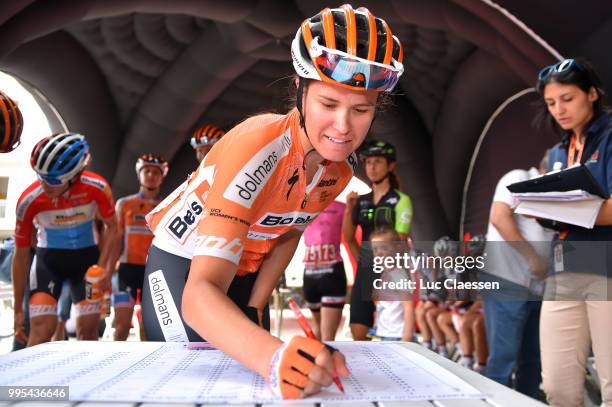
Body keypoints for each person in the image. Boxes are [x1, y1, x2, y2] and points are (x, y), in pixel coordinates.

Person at [142, 4, 404, 399]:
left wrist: (255, 306)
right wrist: (272, 355)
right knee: (192, 390)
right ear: (300, 91)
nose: (343, 127)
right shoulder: (258, 145)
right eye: (328, 105)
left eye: (361, 110)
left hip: (243, 273)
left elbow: (289, 234)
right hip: (183, 267)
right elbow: (197, 298)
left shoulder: (340, 173)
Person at [535, 58, 612, 407]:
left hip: (606, 265)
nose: (559, 110)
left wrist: (561, 209)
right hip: (563, 268)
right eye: (552, 103)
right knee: (557, 387)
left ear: (592, 93)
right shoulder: (556, 152)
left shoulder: (609, 137)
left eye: (567, 98)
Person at [12, 132, 117, 346]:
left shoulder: (97, 188)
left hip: (86, 263)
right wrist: (16, 310)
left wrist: (104, 267)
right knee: (41, 331)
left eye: (52, 179)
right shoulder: (28, 200)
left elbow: (114, 227)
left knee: (88, 334)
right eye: (39, 176)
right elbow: (21, 254)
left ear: (75, 175)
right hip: (48, 262)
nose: (44, 184)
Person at [480, 151, 553, 398]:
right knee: (504, 358)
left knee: (532, 359)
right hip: (505, 281)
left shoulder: (556, 198)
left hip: (537, 287)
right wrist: (532, 257)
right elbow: (500, 218)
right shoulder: (520, 177)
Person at [343, 139, 413, 340]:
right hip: (365, 272)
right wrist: (349, 209)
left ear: (390, 166)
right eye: (368, 162)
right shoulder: (361, 200)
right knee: (358, 334)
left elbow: (399, 241)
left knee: (391, 333)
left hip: (391, 272)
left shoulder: (401, 200)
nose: (371, 167)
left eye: (378, 162)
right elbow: (349, 239)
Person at [109, 154, 168, 340]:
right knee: (122, 326)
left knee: (148, 329)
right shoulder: (125, 204)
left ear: (162, 176)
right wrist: (108, 271)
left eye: (155, 172)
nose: (151, 175)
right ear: (139, 174)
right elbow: (116, 239)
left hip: (154, 272)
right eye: (147, 171)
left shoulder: (167, 204)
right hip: (126, 271)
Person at [301, 199, 347, 340]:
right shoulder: (302, 207)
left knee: (327, 338)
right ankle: (316, 361)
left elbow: (350, 237)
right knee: (317, 333)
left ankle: (325, 361)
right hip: (310, 275)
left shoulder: (342, 207)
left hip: (331, 274)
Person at [370, 226, 414, 341]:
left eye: (384, 248)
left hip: (398, 335)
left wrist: (407, 338)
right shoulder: (384, 274)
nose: (379, 253)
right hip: (387, 333)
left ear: (397, 248)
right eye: (375, 249)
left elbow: (408, 307)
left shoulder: (398, 275)